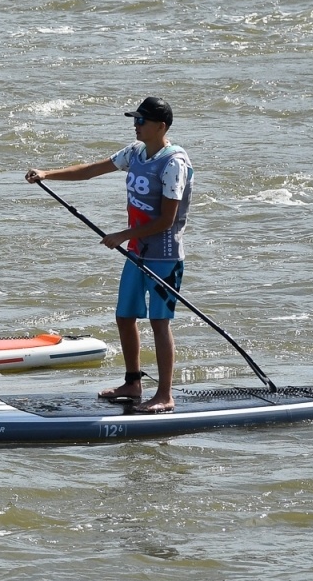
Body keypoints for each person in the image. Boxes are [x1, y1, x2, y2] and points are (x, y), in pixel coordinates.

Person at [26, 97, 192, 414]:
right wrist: (47, 174)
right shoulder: (135, 153)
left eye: (141, 121)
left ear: (161, 126)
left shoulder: (174, 164)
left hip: (164, 256)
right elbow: (90, 170)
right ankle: (133, 383)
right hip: (136, 253)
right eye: (134, 120)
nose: (136, 125)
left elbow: (166, 220)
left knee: (160, 322)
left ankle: (165, 395)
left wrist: (121, 235)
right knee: (124, 316)